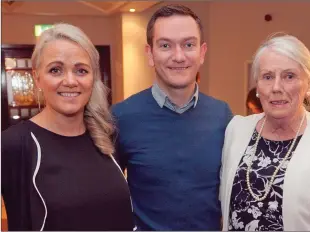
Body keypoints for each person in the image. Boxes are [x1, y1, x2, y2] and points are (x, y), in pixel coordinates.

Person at [1, 23, 134, 231]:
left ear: (93, 77)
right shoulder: (14, 145)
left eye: (81, 70)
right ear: (37, 77)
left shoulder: (108, 136)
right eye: (56, 70)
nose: (70, 81)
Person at [112, 4, 233, 231]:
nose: (178, 56)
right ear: (150, 54)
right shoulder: (121, 117)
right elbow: (105, 195)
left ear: (202, 52)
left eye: (188, 45)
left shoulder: (222, 116)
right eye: (165, 45)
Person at [220, 34, 310, 231]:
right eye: (267, 77)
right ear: (257, 86)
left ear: (308, 83)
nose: (276, 87)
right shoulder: (236, 129)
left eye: (289, 76)